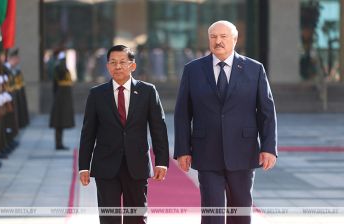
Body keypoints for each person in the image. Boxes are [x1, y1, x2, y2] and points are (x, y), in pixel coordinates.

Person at [174, 20, 277, 224]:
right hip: (206, 151)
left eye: (223, 37)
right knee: (212, 213)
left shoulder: (254, 69)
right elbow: (183, 113)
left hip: (243, 150)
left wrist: (269, 147)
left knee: (240, 211)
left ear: (235, 39)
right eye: (213, 37)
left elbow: (266, 111)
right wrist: (183, 150)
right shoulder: (193, 70)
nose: (218, 41)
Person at [79, 45, 169, 224]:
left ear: (132, 66)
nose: (117, 67)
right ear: (107, 66)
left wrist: (161, 161)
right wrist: (84, 166)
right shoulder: (97, 94)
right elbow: (88, 133)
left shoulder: (148, 91)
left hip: (137, 165)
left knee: (136, 217)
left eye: (122, 62)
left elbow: (158, 128)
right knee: (109, 218)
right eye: (113, 62)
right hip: (106, 165)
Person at [49, 51, 75, 150]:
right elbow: (56, 84)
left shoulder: (64, 69)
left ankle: (60, 143)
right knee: (59, 121)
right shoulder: (59, 68)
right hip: (60, 98)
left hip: (65, 99)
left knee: (62, 121)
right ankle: (58, 143)